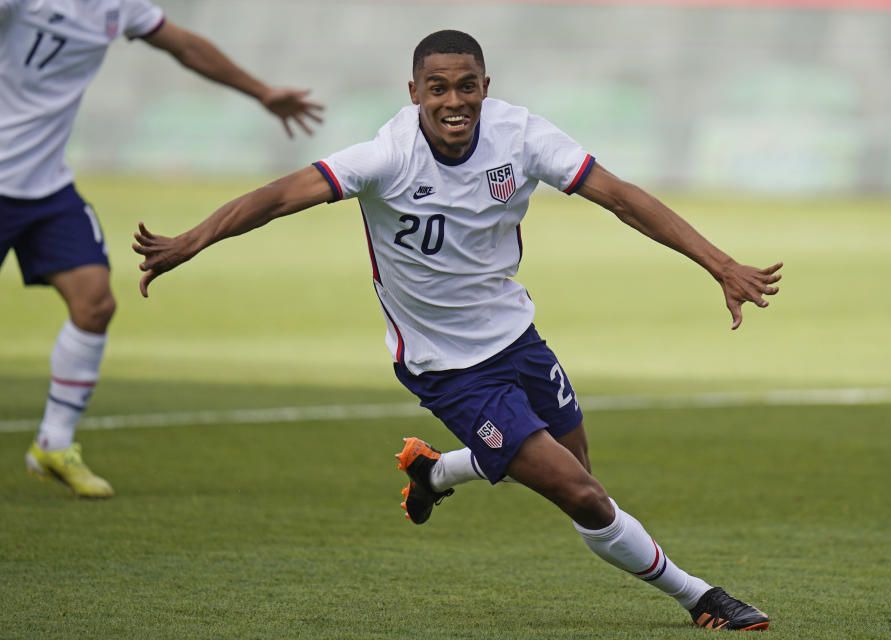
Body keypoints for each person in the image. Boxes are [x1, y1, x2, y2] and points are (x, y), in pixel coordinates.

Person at [133, 30, 781, 631]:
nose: (453, 100)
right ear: (414, 93)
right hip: (445, 366)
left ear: (485, 87)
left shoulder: (520, 136)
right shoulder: (386, 156)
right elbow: (277, 197)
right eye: (437, 87)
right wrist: (194, 240)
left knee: (581, 474)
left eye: (466, 85)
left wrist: (719, 264)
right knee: (582, 495)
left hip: (517, 340)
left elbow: (619, 195)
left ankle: (435, 473)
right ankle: (700, 597)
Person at [1, 0, 324, 499]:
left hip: (46, 188)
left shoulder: (117, 6)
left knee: (95, 303)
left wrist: (263, 93)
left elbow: (187, 47)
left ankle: (52, 444)